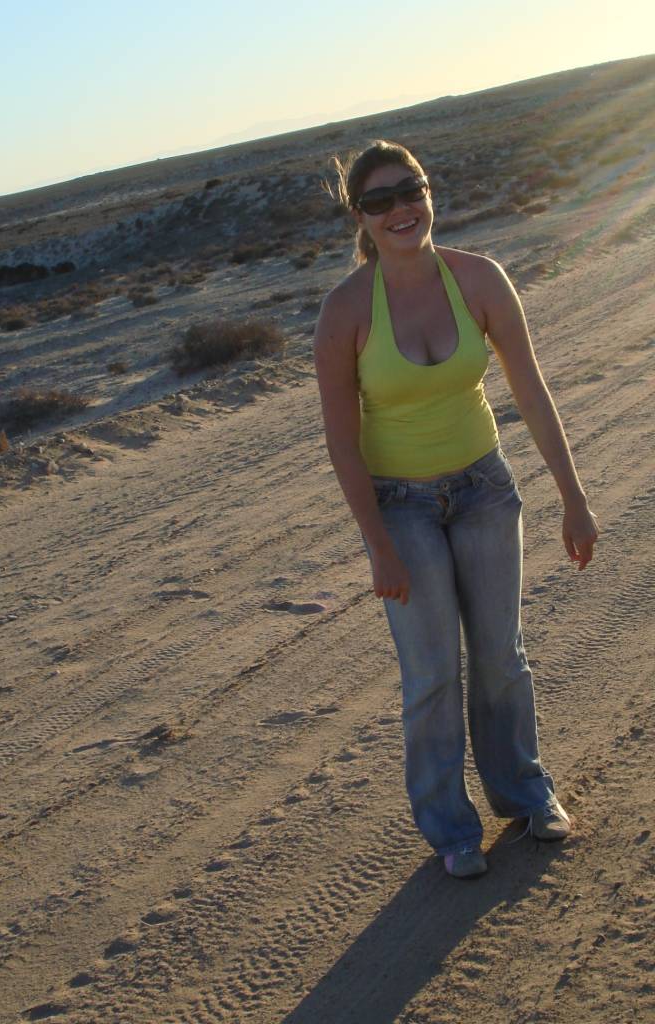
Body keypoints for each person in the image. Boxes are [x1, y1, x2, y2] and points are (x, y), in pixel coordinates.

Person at [313, 140, 599, 879]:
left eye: (410, 191)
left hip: (483, 491)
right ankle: (449, 828)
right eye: (379, 201)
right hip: (400, 506)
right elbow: (343, 442)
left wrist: (573, 499)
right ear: (360, 217)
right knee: (432, 674)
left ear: (428, 192)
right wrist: (378, 544)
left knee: (501, 657)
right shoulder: (346, 310)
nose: (400, 210)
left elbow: (531, 391)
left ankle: (526, 794)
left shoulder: (479, 279)